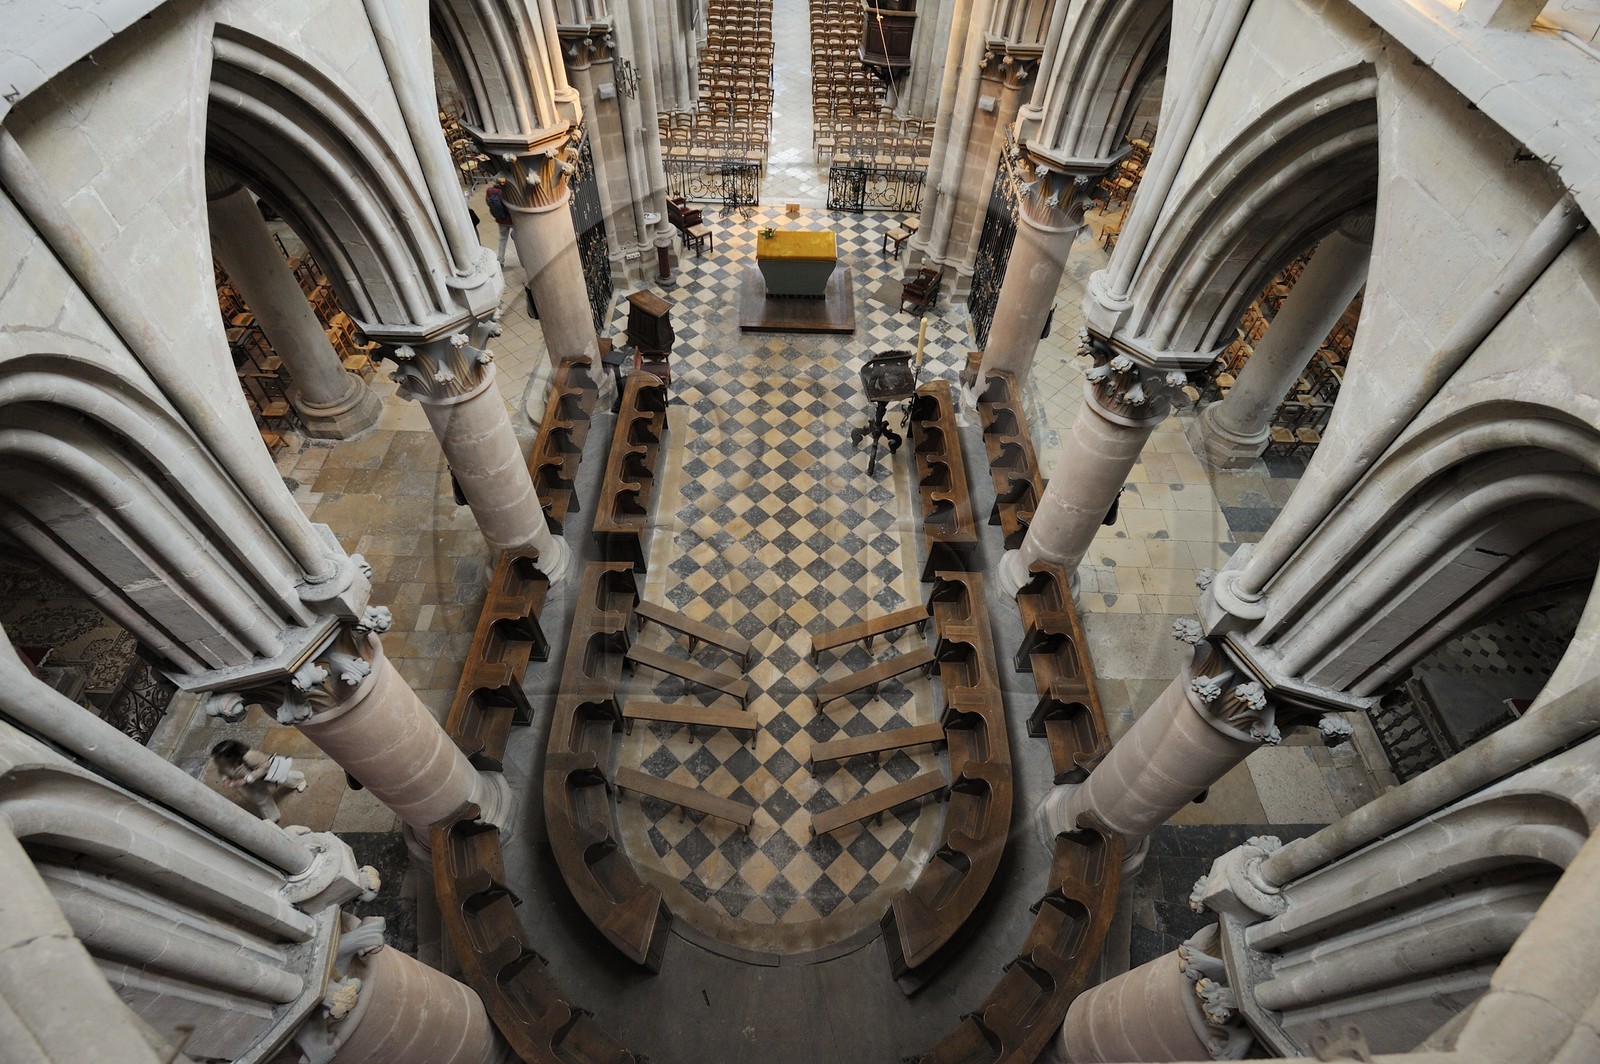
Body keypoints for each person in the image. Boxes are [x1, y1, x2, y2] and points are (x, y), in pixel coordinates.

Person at [211, 739, 306, 823]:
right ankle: (272, 817)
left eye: (219, 757)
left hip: (265, 777)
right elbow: (222, 771)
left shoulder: (249, 756)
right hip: (252, 785)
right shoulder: (222, 762)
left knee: (284, 778)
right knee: (262, 800)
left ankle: (299, 780)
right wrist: (225, 779)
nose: (216, 759)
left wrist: (247, 779)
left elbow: (265, 766)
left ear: (230, 754)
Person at [485, 177, 513, 266]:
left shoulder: (489, 191)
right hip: (511, 220)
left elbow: (488, 203)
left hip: (500, 219)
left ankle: (500, 260)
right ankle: (524, 260)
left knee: (502, 239)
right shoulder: (505, 192)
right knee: (517, 239)